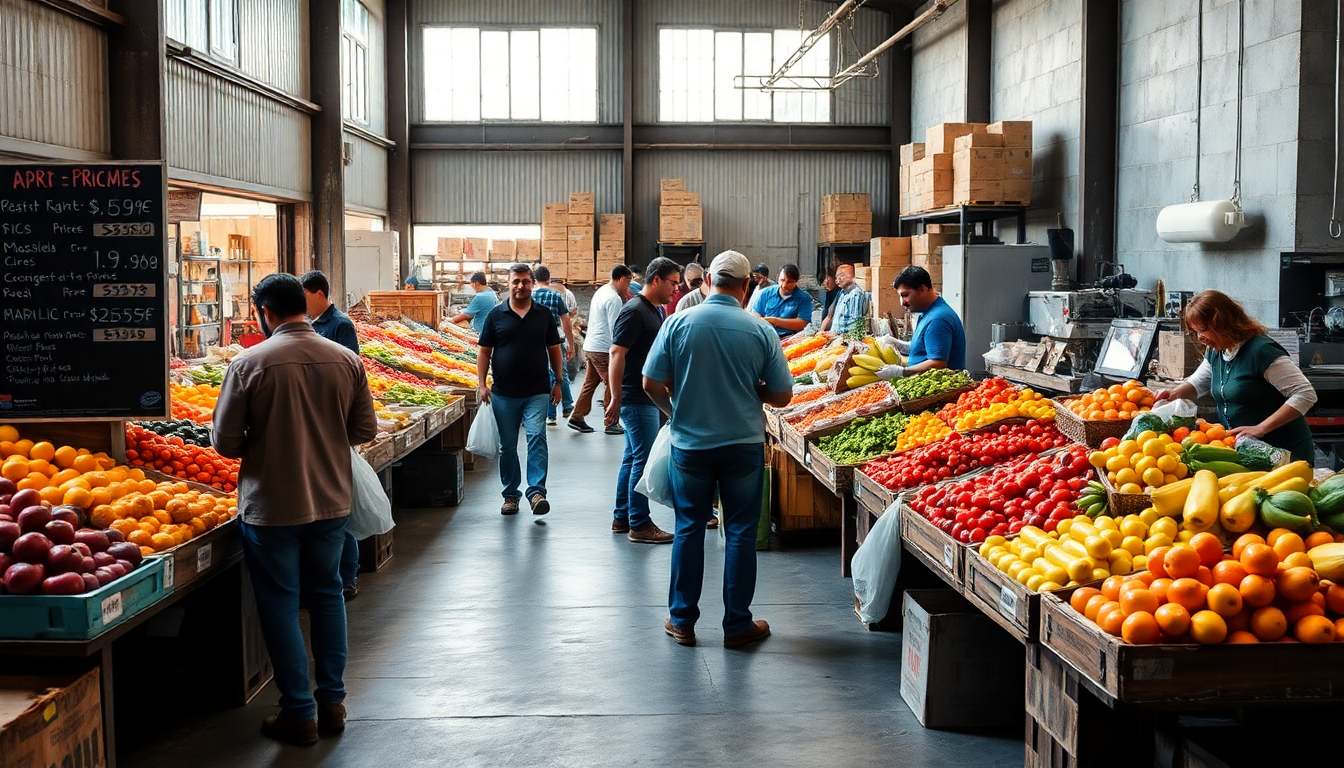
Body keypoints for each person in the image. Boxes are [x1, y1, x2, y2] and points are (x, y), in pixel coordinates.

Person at [213, 273, 379, 746]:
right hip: (330, 500)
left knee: (281, 604)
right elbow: (364, 429)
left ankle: (299, 714)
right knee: (327, 596)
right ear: (305, 306)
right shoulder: (346, 359)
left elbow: (225, 443)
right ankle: (333, 704)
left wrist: (267, 439)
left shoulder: (248, 363)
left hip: (272, 506)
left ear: (265, 312)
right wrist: (324, 439)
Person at [642, 250, 793, 649]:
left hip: (690, 445)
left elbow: (650, 383)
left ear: (708, 280)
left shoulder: (677, 322)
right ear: (746, 285)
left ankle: (682, 621)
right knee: (740, 532)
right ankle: (738, 625)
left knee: (689, 528)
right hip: (742, 445)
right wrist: (753, 390)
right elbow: (782, 396)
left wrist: (675, 413)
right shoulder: (760, 329)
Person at [1154, 290, 1316, 463]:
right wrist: (1172, 395)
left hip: (1283, 453)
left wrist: (1261, 428)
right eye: (1195, 331)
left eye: (1203, 330)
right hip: (1247, 453)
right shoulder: (1218, 351)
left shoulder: (1261, 351)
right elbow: (1198, 382)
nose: (1200, 338)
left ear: (1223, 323)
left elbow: (1305, 393)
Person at [476, 264, 564, 515]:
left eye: (525, 281)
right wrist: (482, 384)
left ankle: (536, 492)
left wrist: (558, 382)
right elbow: (484, 352)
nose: (520, 286)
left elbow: (554, 349)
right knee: (507, 446)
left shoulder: (543, 315)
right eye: (516, 281)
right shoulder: (496, 315)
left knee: (537, 437)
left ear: (532, 284)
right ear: (509, 283)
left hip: (537, 390)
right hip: (503, 393)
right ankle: (510, 495)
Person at [605, 257, 682, 544]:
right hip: (637, 398)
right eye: (673, 283)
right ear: (656, 280)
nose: (676, 289)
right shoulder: (635, 311)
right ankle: (639, 524)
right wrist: (616, 397)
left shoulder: (655, 310)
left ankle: (622, 517)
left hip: (643, 396)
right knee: (643, 459)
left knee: (632, 457)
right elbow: (617, 353)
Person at [300, 270, 363, 602]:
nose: (302, 304)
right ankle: (328, 577)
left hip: (334, 425)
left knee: (340, 513)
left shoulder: (340, 325)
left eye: (305, 297)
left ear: (320, 294)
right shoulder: (308, 325)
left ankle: (347, 576)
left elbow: (351, 371)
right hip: (314, 426)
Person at [571, 265, 632, 434]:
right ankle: (611, 422)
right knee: (613, 382)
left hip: (591, 345)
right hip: (603, 348)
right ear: (622, 279)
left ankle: (577, 417)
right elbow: (615, 329)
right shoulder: (614, 299)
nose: (628, 288)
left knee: (590, 382)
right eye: (628, 282)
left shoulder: (602, 291)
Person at [875, 266, 967, 379]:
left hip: (938, 388)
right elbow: (925, 347)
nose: (902, 302)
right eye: (900, 296)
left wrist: (902, 372)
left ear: (922, 289)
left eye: (905, 295)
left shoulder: (938, 319)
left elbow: (938, 364)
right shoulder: (929, 313)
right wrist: (900, 345)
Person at [531, 266, 576, 425]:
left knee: (544, 374)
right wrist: (571, 343)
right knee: (558, 372)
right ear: (549, 279)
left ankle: (551, 413)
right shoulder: (556, 295)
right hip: (555, 338)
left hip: (535, 340)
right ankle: (561, 408)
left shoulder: (530, 296)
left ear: (535, 279)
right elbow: (566, 320)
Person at [749, 264, 814, 338]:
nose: (784, 285)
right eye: (782, 280)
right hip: (766, 336)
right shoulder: (766, 293)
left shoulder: (804, 298)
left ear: (796, 282)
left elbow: (802, 323)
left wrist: (775, 321)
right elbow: (756, 314)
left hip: (790, 338)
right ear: (777, 278)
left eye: (790, 282)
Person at [823, 263, 868, 334]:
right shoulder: (841, 293)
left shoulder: (856, 293)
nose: (838, 279)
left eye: (842, 275)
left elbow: (855, 322)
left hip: (844, 337)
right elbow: (830, 315)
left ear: (853, 276)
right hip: (834, 336)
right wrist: (821, 332)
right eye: (836, 276)